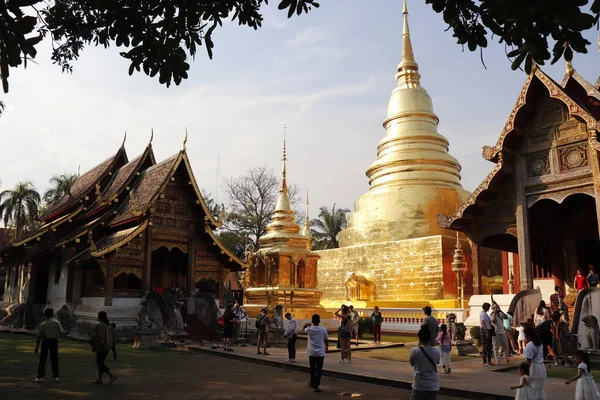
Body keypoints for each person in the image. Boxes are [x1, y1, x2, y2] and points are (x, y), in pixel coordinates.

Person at [409, 327, 441, 400]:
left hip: (419, 384)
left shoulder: (414, 350)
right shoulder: (437, 351)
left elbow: (412, 363)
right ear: (430, 338)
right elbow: (437, 362)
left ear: (419, 337)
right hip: (433, 384)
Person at [35, 308, 65, 383]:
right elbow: (62, 332)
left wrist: (36, 346)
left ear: (45, 314)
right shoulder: (57, 322)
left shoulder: (43, 324)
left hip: (46, 341)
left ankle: (40, 376)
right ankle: (56, 376)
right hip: (54, 341)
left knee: (43, 359)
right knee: (54, 359)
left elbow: (39, 336)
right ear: (53, 314)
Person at [304, 314, 329, 393]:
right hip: (320, 352)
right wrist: (326, 347)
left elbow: (303, 329)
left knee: (312, 368)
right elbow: (326, 340)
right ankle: (316, 385)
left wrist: (307, 324)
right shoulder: (323, 329)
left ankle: (312, 381)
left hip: (311, 352)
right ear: (319, 321)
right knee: (319, 369)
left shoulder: (309, 329)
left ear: (312, 321)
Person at [92, 311, 117, 385]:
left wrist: (97, 347)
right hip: (106, 347)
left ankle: (111, 375)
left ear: (100, 317)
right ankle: (100, 379)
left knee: (99, 362)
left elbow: (101, 338)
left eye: (98, 315)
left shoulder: (102, 325)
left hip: (103, 347)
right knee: (100, 363)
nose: (97, 317)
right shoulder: (105, 324)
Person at [524, 326, 547, 400]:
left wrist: (526, 372)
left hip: (534, 368)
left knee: (532, 388)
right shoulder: (539, 344)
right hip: (541, 367)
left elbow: (529, 360)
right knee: (539, 388)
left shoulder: (529, 345)